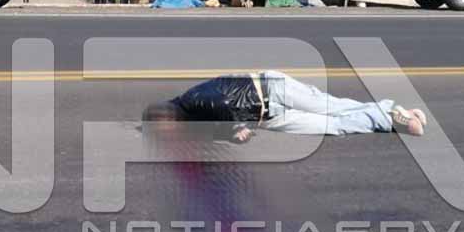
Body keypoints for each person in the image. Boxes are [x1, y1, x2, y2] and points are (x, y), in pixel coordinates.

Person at [142, 72, 427, 142]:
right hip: (268, 117)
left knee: (332, 107)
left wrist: (235, 129)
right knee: (332, 125)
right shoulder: (188, 123)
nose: (165, 135)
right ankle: (390, 113)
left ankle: (392, 117)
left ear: (167, 117)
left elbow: (221, 103)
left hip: (271, 89)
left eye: (161, 129)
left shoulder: (192, 100)